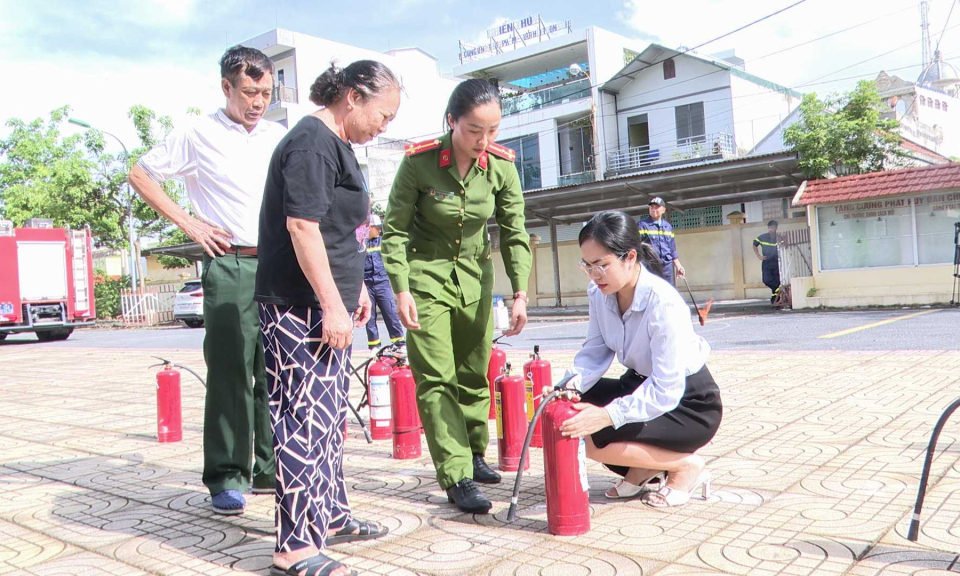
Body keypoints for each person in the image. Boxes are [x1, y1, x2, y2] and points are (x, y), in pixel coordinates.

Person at [256, 60, 400, 576]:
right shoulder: (312, 143)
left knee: (327, 421)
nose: (385, 125)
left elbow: (341, 230)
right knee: (301, 421)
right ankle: (293, 547)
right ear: (353, 97)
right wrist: (332, 303)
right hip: (298, 306)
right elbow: (301, 227)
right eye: (383, 114)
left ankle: (331, 515)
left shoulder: (338, 146)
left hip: (327, 301)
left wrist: (355, 285)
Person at [129, 46, 285, 515]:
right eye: (249, 92)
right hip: (231, 262)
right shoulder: (197, 133)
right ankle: (226, 475)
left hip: (280, 262)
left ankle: (269, 469)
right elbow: (140, 173)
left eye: (266, 93)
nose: (258, 102)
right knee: (232, 370)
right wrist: (189, 224)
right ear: (226, 87)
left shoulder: (279, 134)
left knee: (274, 371)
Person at [381, 79, 532, 514]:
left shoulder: (501, 166)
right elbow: (393, 231)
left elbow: (515, 231)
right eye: (473, 131)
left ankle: (475, 452)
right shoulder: (419, 163)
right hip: (425, 279)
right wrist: (401, 288)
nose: (484, 141)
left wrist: (519, 292)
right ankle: (456, 475)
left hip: (475, 281)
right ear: (451, 122)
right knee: (436, 378)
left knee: (472, 371)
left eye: (493, 131)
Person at [555, 211, 722, 508]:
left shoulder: (663, 303)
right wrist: (567, 386)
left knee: (596, 432)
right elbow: (596, 350)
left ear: (629, 257)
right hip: (641, 384)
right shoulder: (599, 293)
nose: (594, 275)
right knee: (569, 407)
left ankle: (684, 466)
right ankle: (645, 468)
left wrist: (607, 415)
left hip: (688, 402)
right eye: (588, 265)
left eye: (602, 265)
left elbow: (665, 388)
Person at [363, 213, 404, 349]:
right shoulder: (361, 244)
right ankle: (374, 347)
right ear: (369, 227)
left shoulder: (383, 242)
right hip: (367, 285)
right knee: (370, 319)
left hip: (382, 284)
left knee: (391, 314)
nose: (380, 230)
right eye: (377, 227)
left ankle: (399, 344)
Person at [637, 197, 684, 285]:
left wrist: (678, 266)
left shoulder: (668, 227)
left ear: (663, 210)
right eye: (652, 207)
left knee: (668, 291)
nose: (654, 210)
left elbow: (672, 248)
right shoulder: (642, 225)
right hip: (650, 266)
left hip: (667, 266)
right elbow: (637, 247)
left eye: (657, 207)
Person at [753, 220, 781, 304]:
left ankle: (775, 299)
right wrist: (758, 256)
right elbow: (754, 245)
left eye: (772, 228)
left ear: (776, 228)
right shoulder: (763, 237)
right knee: (766, 280)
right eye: (769, 228)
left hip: (776, 263)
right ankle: (778, 289)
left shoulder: (779, 237)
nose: (770, 229)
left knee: (776, 280)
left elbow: (785, 246)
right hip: (766, 262)